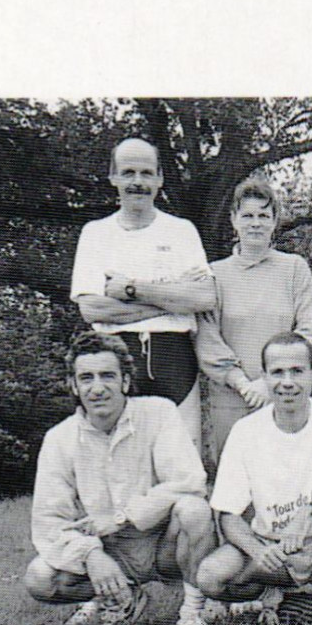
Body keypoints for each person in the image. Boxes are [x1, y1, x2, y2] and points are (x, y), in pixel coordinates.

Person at [23, 331, 216, 625]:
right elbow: (48, 522)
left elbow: (190, 481)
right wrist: (91, 555)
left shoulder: (159, 412)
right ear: (74, 386)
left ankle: (193, 615)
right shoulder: (59, 439)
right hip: (109, 550)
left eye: (107, 376)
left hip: (162, 545)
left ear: (125, 381)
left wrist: (125, 516)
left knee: (194, 510)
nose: (97, 388)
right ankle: (123, 596)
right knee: (41, 579)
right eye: (86, 378)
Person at [196, 333, 312, 625]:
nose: (287, 382)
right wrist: (256, 550)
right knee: (210, 577)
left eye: (297, 371)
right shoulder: (246, 431)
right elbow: (227, 513)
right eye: (277, 372)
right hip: (272, 546)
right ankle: (278, 594)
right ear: (264, 377)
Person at [69, 137, 214, 454]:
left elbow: (204, 297)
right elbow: (92, 308)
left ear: (160, 178)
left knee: (182, 455)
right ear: (114, 177)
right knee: (122, 455)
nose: (138, 182)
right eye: (129, 172)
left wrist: (131, 290)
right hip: (116, 353)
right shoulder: (95, 233)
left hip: (174, 356)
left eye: (147, 173)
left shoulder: (181, 230)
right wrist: (170, 299)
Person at [195, 177, 312, 465]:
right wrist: (243, 384)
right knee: (236, 484)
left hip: (285, 393)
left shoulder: (294, 269)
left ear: (275, 221)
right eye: (247, 216)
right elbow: (208, 338)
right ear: (234, 220)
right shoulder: (214, 274)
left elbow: (306, 331)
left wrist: (270, 383)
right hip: (232, 398)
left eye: (264, 216)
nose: (255, 223)